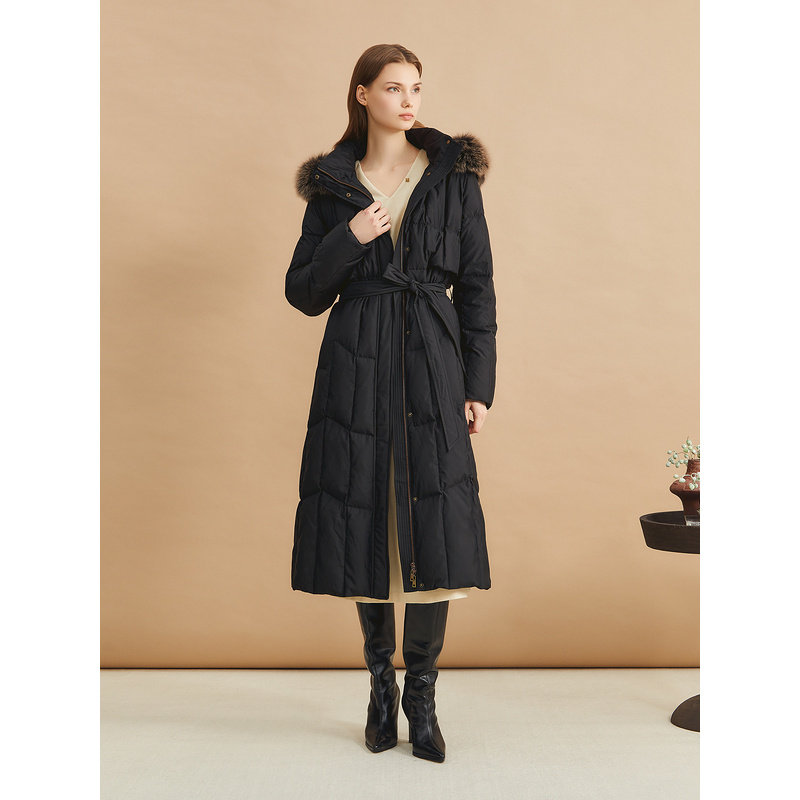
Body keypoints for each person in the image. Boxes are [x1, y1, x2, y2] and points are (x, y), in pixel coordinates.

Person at [285, 44, 497, 763]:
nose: (408, 101)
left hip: (433, 356)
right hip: (357, 358)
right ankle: (381, 686)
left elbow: (478, 287)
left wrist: (477, 385)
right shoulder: (333, 186)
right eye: (393, 88)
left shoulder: (453, 178)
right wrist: (350, 238)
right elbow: (303, 292)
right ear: (362, 94)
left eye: (416, 88)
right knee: (364, 516)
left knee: (436, 521)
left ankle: (422, 697)